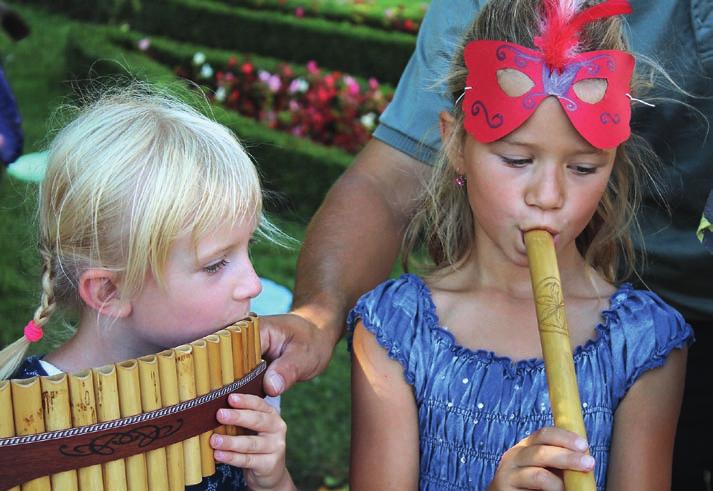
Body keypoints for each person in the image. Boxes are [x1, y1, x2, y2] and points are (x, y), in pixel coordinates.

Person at [259, 0, 712, 488]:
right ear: (455, 145)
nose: (548, 196)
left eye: (583, 168)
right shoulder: (396, 329)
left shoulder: (644, 344)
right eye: (517, 160)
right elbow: (381, 184)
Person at [0, 87, 296, 491]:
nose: (253, 283)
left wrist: (272, 481)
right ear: (109, 292)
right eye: (215, 264)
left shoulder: (241, 385)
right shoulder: (15, 419)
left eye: (248, 250)